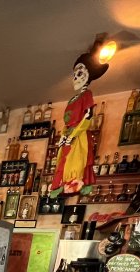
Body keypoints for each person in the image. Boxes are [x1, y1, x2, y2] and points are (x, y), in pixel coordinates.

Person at [50, 53, 109, 196]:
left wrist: (74, 134)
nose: (75, 77)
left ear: (89, 75)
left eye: (80, 73)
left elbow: (88, 116)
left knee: (77, 160)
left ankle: (75, 184)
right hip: (68, 134)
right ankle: (63, 185)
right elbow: (66, 123)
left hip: (79, 134)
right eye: (74, 74)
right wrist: (63, 136)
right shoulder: (72, 99)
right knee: (63, 160)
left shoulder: (86, 95)